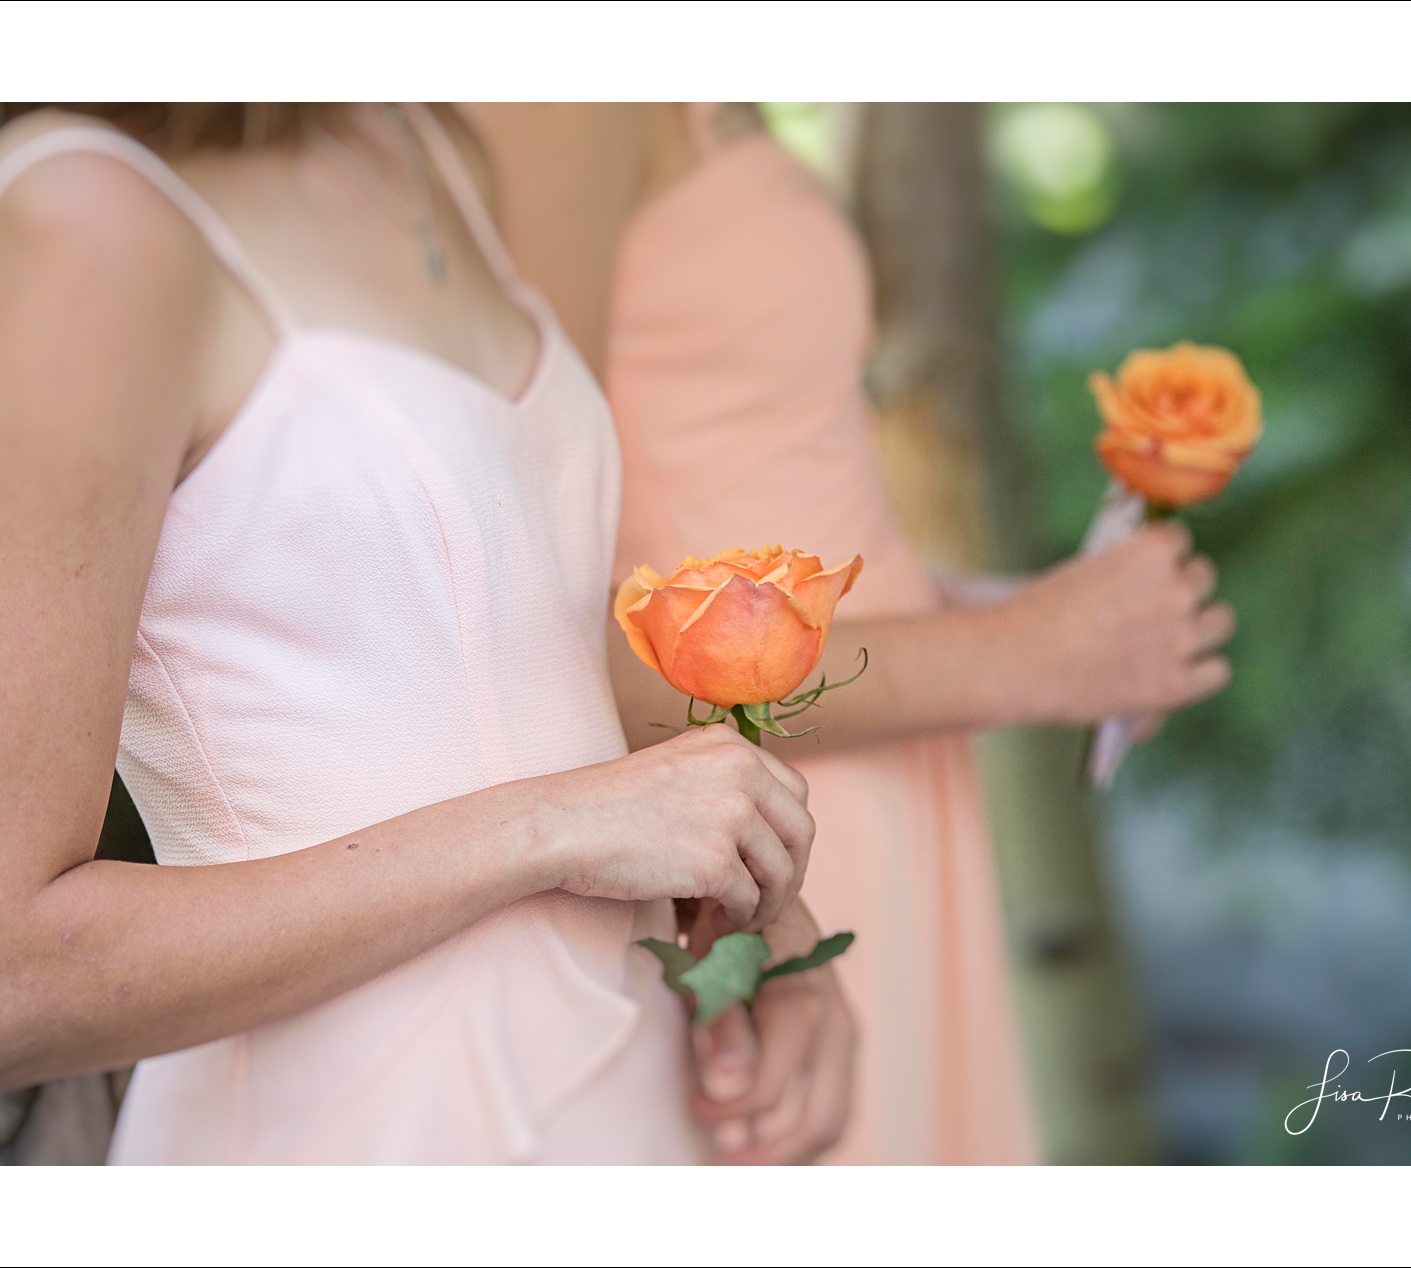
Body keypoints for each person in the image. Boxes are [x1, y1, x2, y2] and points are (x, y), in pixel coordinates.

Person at [0, 102, 852, 1164]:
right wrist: (553, 826)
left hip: (636, 1092)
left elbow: (504, 684)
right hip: (355, 1132)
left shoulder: (429, 151)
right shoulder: (89, 212)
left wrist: (751, 920)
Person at [463, 103, 1235, 1163]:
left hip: (887, 783)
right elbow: (533, 630)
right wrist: (1026, 653)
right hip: (765, 844)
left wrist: (1007, 609)